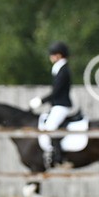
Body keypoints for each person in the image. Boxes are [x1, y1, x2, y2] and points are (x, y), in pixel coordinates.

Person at [29, 41, 74, 170]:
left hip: (62, 105)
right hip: (57, 105)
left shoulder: (63, 70)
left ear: (58, 56)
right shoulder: (59, 69)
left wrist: (41, 101)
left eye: (52, 55)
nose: (50, 57)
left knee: (50, 127)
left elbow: (56, 91)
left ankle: (59, 157)